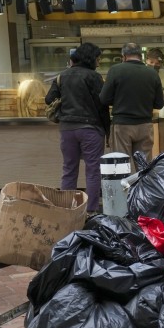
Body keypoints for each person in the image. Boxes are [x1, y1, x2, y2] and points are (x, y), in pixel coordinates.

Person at [47, 43, 108, 215]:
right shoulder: (93, 77)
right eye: (97, 58)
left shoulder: (62, 76)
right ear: (90, 58)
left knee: (69, 168)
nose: (99, 62)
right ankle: (91, 210)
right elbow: (102, 102)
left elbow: (48, 98)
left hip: (67, 128)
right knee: (93, 169)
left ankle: (67, 209)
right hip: (91, 128)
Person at [100, 42, 164, 166]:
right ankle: (144, 186)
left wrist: (119, 100)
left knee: (121, 164)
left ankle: (125, 186)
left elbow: (104, 99)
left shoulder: (115, 70)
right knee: (144, 166)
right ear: (141, 56)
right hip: (145, 124)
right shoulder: (152, 74)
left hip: (122, 125)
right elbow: (159, 104)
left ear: (123, 56)